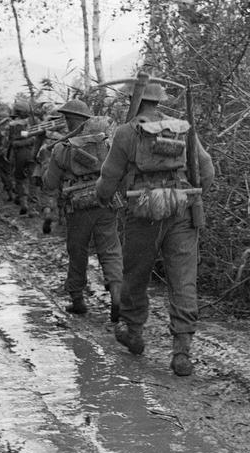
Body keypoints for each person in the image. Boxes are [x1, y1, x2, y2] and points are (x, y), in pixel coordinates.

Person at [95, 81, 214, 376]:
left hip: (143, 211)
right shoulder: (182, 128)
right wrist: (188, 196)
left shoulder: (126, 133)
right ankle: (182, 351)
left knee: (136, 273)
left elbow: (108, 179)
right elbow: (207, 169)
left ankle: (134, 331)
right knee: (183, 278)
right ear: (158, 102)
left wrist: (105, 197)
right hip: (182, 209)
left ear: (132, 102)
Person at [42, 99, 123, 321]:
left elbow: (49, 183)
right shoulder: (106, 143)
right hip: (105, 201)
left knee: (77, 252)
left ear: (69, 120)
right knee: (111, 250)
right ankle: (116, 298)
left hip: (77, 207)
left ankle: (78, 300)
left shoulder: (61, 148)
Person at [6, 95, 37, 215]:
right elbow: (33, 138)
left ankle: (24, 202)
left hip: (18, 154)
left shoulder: (12, 125)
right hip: (31, 153)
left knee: (19, 178)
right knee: (32, 179)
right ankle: (33, 207)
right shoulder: (30, 124)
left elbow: (10, 141)